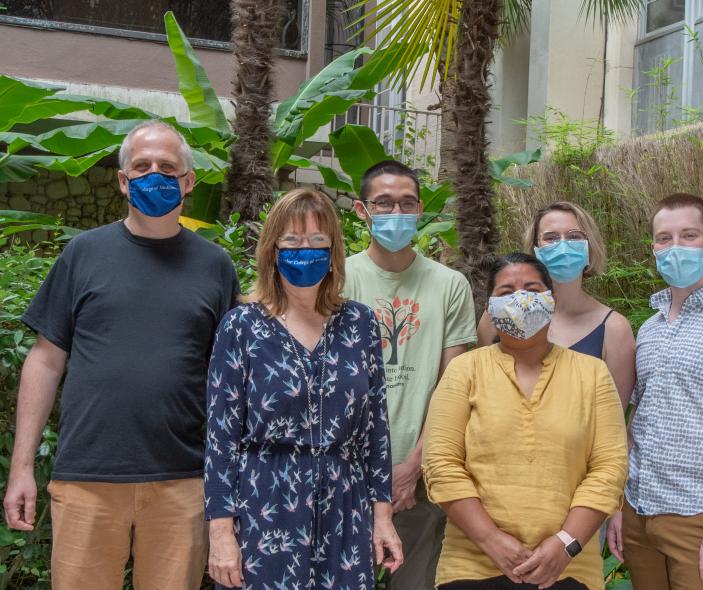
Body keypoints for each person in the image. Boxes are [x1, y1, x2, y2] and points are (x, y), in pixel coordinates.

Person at [2, 121, 239, 589]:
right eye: (142, 166)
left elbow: (230, 381)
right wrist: (22, 467)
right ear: (123, 180)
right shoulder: (83, 254)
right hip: (87, 476)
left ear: (188, 181)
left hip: (182, 481)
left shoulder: (216, 266)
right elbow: (46, 361)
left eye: (168, 167)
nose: (155, 175)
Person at [204, 188, 403, 589]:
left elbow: (376, 433)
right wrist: (220, 533)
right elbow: (220, 439)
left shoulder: (360, 324)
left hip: (345, 503)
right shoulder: (242, 326)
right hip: (265, 503)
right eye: (292, 241)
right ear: (272, 250)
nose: (304, 250)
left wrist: (382, 518)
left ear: (333, 253)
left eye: (317, 241)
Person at [424, 252, 628, 590]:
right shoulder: (465, 370)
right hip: (473, 566)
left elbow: (609, 468)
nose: (520, 298)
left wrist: (565, 543)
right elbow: (441, 464)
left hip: (569, 568)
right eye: (506, 292)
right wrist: (492, 541)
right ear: (489, 307)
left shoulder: (592, 374)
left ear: (552, 300)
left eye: (532, 288)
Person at [344, 160, 477, 590]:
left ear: (420, 209)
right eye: (383, 204)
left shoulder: (449, 284)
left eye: (405, 204)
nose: (395, 214)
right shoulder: (338, 277)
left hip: (421, 475)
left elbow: (453, 386)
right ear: (362, 211)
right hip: (347, 475)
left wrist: (413, 467)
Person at [607, 193, 703, 590]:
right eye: (664, 238)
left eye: (689, 235)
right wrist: (619, 506)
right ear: (654, 248)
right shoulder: (649, 328)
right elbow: (637, 417)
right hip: (639, 513)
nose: (675, 246)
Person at [477, 201, 635, 409]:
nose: (563, 245)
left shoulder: (614, 329)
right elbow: (480, 389)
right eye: (551, 238)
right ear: (535, 250)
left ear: (590, 245)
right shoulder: (500, 312)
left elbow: (612, 420)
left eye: (574, 236)